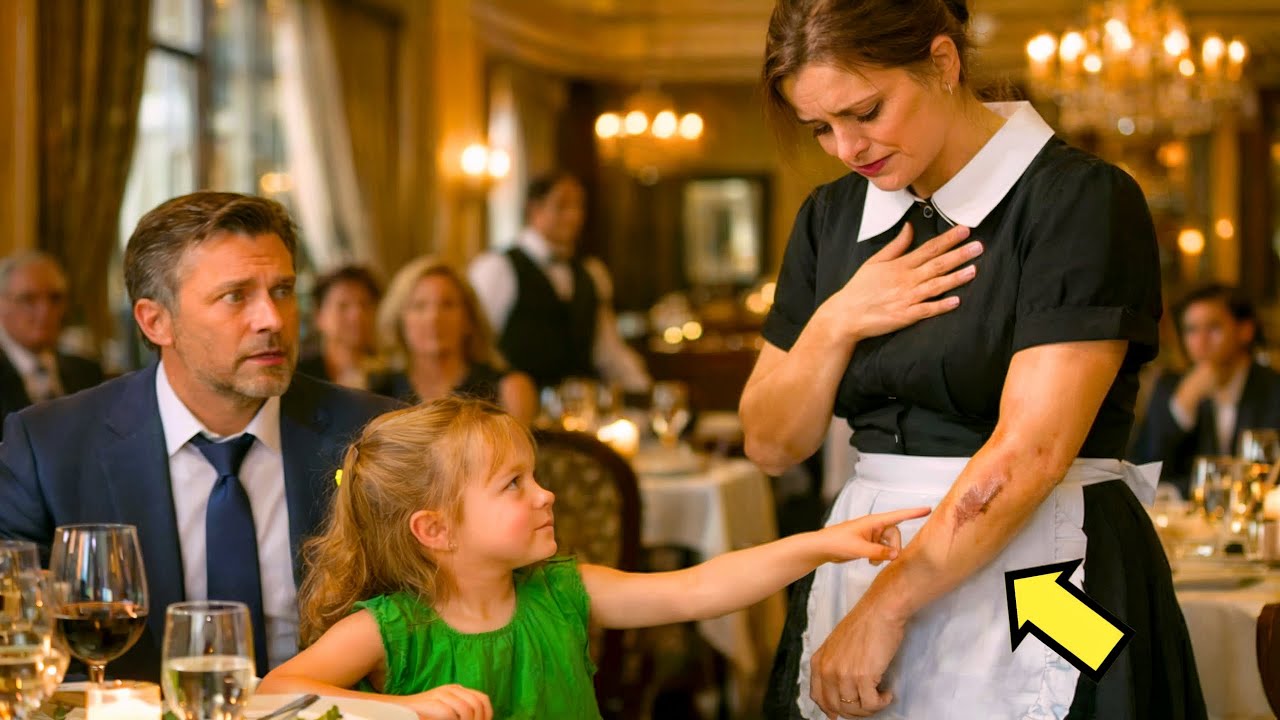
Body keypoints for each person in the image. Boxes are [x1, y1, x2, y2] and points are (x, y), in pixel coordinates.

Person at [742, 1, 1204, 718]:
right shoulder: (829, 220)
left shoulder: (1080, 200)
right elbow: (771, 444)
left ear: (944, 62)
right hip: (865, 558)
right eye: (821, 128)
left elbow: (1032, 452)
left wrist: (886, 609)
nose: (846, 148)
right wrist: (836, 320)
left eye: (866, 111)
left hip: (1050, 571)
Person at [257, 397, 927, 719]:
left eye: (534, 474)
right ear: (435, 529)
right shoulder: (390, 628)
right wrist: (402, 710)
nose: (545, 494)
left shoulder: (561, 589)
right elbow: (269, 696)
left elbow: (696, 590)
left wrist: (819, 544)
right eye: (513, 485)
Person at [0, 192, 401, 681]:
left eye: (282, 290)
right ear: (155, 320)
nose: (272, 320)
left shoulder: (376, 435)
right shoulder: (50, 447)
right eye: (236, 296)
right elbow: (20, 642)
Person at [468, 171, 650, 393]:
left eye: (579, 206)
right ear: (535, 210)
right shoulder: (497, 267)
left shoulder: (592, 272)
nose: (574, 216)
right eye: (562, 206)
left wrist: (644, 389)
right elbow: (477, 344)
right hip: (517, 409)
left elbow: (608, 349)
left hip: (581, 408)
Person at [1130, 284, 1280, 497]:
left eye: (1213, 328)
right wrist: (1182, 407)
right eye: (1191, 330)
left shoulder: (1273, 389)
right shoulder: (1170, 387)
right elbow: (1141, 473)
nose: (1200, 341)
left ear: (1245, 330)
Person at [377, 256, 537, 424]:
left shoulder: (509, 389)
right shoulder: (379, 389)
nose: (434, 317)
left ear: (468, 319)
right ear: (399, 321)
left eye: (447, 304)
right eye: (419, 306)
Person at [0, 251, 103, 426]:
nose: (45, 311)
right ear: (2, 304)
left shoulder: (88, 372)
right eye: (28, 299)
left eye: (55, 298)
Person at [297, 265, 388, 391]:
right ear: (319, 316)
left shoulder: (389, 375)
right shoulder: (300, 375)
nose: (357, 315)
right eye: (343, 306)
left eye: (365, 304)